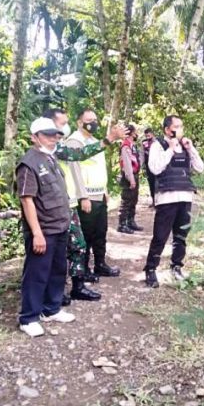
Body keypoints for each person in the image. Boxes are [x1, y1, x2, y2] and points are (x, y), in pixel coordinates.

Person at [44, 108, 126, 301]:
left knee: (78, 244)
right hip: (54, 207)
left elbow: (80, 155)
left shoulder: (59, 148)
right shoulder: (40, 154)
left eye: (66, 123)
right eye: (62, 123)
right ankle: (52, 292)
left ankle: (77, 286)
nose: (65, 127)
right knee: (57, 249)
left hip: (68, 203)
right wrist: (84, 196)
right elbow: (78, 160)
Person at [16, 117, 75, 338]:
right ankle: (29, 317)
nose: (52, 139)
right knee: (37, 273)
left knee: (58, 270)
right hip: (43, 230)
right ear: (34, 137)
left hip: (59, 226)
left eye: (55, 134)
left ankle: (51, 309)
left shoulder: (51, 159)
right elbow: (27, 200)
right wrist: (37, 233)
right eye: (47, 135)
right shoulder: (29, 163)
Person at [143, 115, 204, 288]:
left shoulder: (185, 147)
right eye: (176, 126)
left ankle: (176, 267)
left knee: (180, 237)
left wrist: (191, 149)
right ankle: (150, 269)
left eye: (181, 126)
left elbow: (200, 168)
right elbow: (155, 168)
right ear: (167, 130)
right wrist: (170, 149)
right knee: (160, 237)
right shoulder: (158, 145)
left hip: (185, 197)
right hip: (166, 199)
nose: (180, 129)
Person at [66, 109, 121, 278]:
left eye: (95, 119)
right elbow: (74, 170)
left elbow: (99, 168)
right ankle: (84, 268)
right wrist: (83, 196)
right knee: (86, 235)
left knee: (100, 232)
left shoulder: (96, 141)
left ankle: (100, 264)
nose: (93, 123)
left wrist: (105, 191)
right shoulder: (75, 141)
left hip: (99, 195)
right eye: (89, 120)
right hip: (87, 197)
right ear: (79, 122)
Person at [117, 124, 144, 234]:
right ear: (132, 133)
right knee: (126, 201)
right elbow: (127, 165)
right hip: (128, 176)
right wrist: (131, 179)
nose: (137, 133)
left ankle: (130, 221)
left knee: (133, 200)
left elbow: (138, 161)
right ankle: (122, 224)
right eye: (135, 132)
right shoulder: (126, 146)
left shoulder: (133, 146)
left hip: (135, 175)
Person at [141, 127, 156, 205]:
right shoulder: (144, 143)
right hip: (148, 166)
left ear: (152, 134)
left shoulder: (157, 142)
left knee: (158, 183)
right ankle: (153, 200)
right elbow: (142, 154)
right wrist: (141, 165)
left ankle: (159, 201)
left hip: (157, 165)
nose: (148, 137)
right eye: (146, 136)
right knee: (151, 183)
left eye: (149, 135)